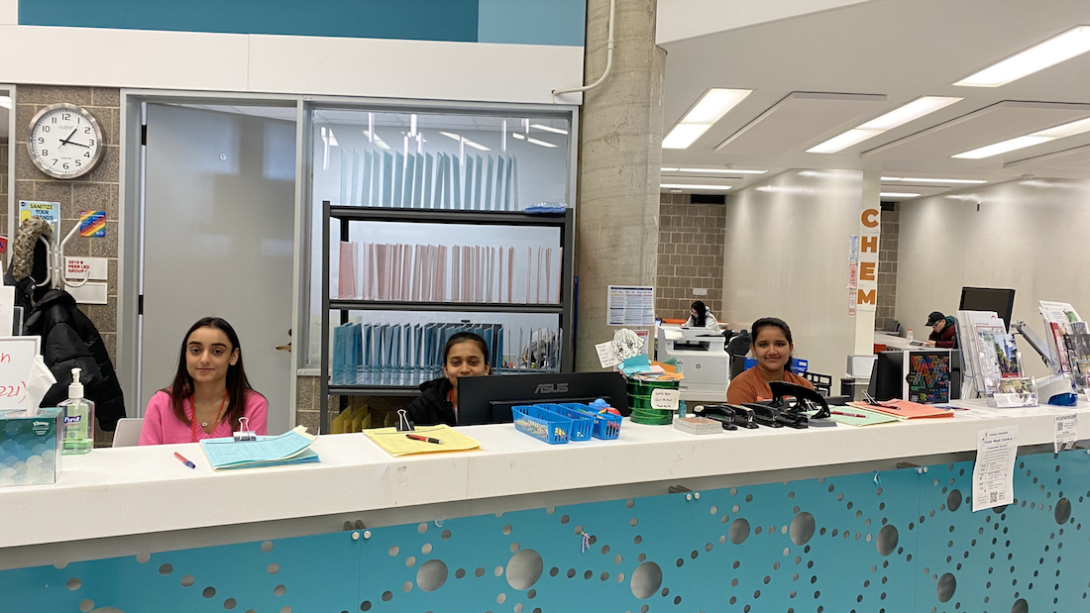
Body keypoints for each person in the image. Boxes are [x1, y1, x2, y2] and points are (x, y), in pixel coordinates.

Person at [139, 317, 268, 445]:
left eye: (217, 351)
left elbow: (252, 462)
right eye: (195, 350)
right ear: (185, 355)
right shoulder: (161, 403)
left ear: (233, 356)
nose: (204, 359)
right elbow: (147, 461)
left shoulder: (253, 405)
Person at [404, 332, 491, 426]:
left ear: (486, 368)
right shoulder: (421, 408)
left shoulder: (503, 403)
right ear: (446, 370)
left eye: (473, 362)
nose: (464, 369)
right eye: (456, 362)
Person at [726, 317, 813, 404]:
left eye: (779, 344)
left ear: (790, 348)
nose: (772, 351)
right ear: (753, 350)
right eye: (764, 345)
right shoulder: (741, 387)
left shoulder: (804, 386)